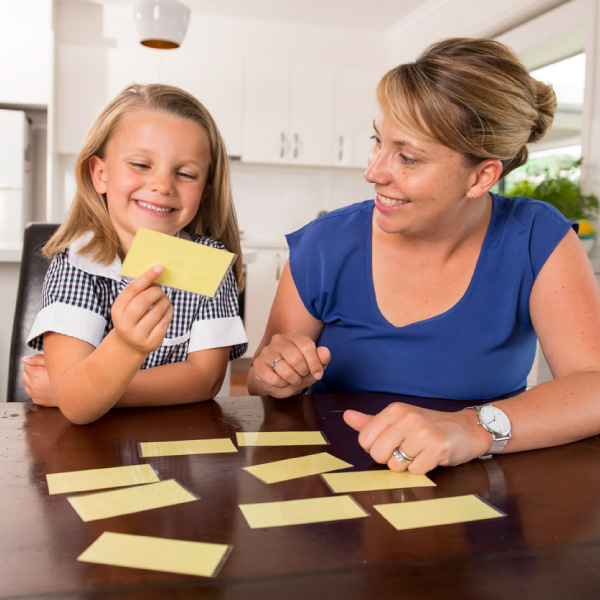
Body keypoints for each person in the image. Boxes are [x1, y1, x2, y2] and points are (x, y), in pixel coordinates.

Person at [247, 37, 600, 474]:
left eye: (408, 157)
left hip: (479, 482)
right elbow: (261, 381)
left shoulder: (535, 236)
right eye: (378, 141)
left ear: (481, 176)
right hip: (335, 484)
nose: (373, 172)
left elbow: (593, 387)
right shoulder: (325, 243)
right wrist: (276, 374)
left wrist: (471, 430)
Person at [22, 83, 248, 424]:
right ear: (100, 174)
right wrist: (126, 346)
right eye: (142, 164)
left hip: (181, 451)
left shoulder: (209, 263)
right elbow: (78, 407)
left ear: (204, 190)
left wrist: (79, 390)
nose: (163, 185)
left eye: (185, 174)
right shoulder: (76, 263)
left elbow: (206, 380)